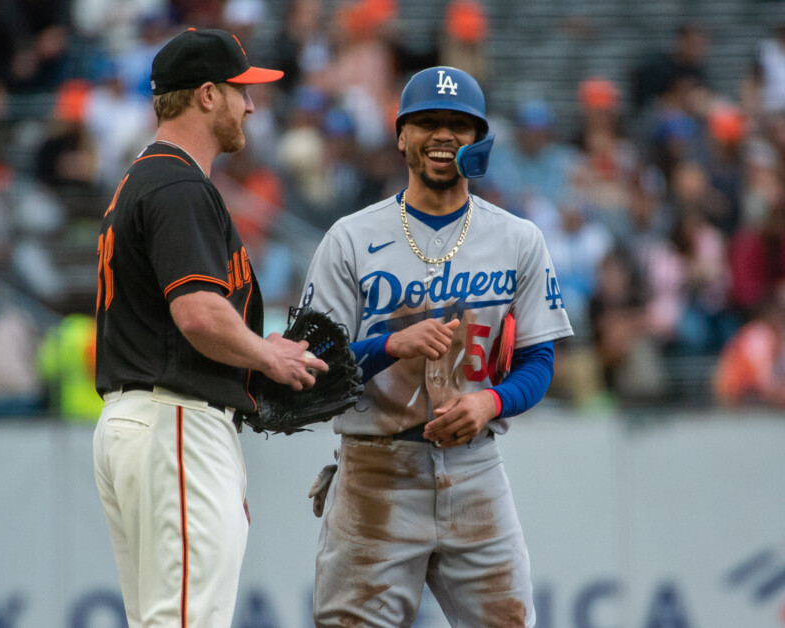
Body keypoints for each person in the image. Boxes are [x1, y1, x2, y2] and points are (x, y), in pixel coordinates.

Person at [301, 66, 574, 627]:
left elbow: (539, 362)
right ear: (401, 135)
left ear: (480, 140)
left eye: (459, 124)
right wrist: (388, 345)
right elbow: (310, 367)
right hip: (375, 472)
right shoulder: (350, 239)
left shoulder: (518, 239)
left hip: (475, 471)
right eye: (427, 122)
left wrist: (490, 402)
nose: (444, 135)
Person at [91, 28, 328, 628]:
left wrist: (255, 347)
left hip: (144, 421)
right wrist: (266, 357)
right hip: (175, 423)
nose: (251, 104)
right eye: (240, 90)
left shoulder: (146, 177)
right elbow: (197, 311)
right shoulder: (177, 182)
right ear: (206, 95)